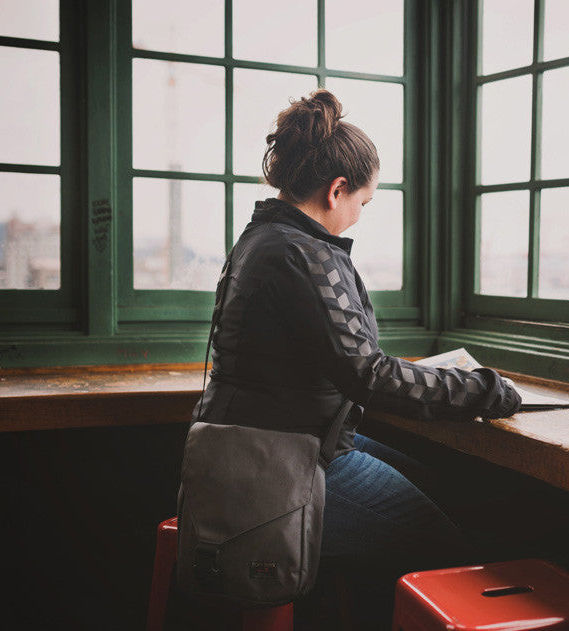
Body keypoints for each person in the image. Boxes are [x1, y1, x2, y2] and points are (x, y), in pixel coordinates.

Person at [192, 89, 521, 628]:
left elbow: (349, 362)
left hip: (262, 443)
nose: (358, 218)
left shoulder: (265, 239)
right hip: (282, 463)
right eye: (361, 204)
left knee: (433, 483)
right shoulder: (302, 252)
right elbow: (369, 375)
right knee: (444, 549)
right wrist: (486, 389)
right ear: (336, 189)